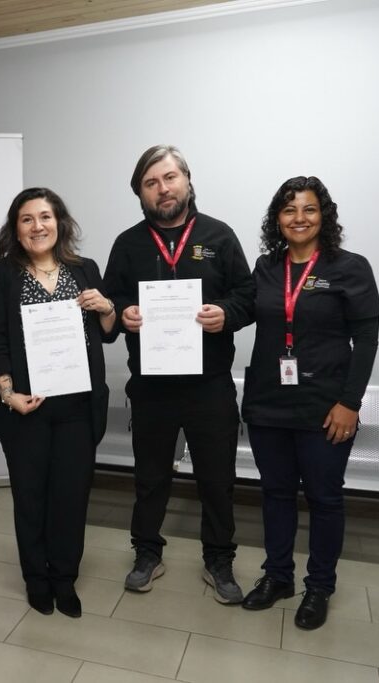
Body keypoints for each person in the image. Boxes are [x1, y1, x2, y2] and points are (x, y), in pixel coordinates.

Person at [102, 144, 254, 603]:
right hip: (150, 387)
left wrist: (224, 313)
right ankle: (147, 552)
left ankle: (219, 559)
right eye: (151, 182)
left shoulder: (220, 236)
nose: (162, 188)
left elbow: (248, 294)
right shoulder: (128, 244)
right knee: (150, 477)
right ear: (140, 193)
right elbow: (109, 302)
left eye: (169, 178)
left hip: (209, 387)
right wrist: (124, 311)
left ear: (187, 180)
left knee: (216, 478)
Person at [240, 176, 379, 630]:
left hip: (325, 408)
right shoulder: (265, 267)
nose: (299, 218)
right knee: (276, 494)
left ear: (324, 216)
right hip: (267, 404)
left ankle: (319, 586)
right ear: (276, 219)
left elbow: (368, 340)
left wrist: (349, 403)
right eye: (289, 210)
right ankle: (278, 576)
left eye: (309, 210)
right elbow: (238, 310)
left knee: (324, 498)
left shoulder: (350, 267)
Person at [0, 188, 117, 618]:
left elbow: (108, 329)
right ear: (15, 229)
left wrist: (106, 305)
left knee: (71, 496)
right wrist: (6, 393)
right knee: (31, 496)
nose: (38, 226)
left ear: (60, 222)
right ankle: (36, 578)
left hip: (78, 405)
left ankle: (64, 578)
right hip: (26, 407)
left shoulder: (84, 268)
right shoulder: (1, 273)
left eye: (46, 217)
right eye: (27, 219)